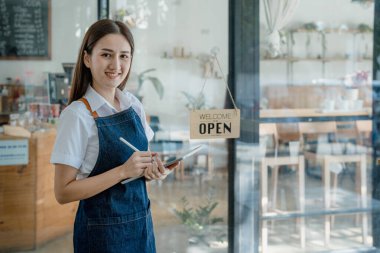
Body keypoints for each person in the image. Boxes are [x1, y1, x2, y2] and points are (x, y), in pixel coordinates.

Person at [50, 19, 178, 253]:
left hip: (141, 226)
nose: (116, 65)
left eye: (124, 56)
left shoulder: (133, 105)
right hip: (101, 235)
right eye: (106, 55)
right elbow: (63, 192)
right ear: (87, 59)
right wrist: (122, 171)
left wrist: (151, 171)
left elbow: (138, 168)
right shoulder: (77, 115)